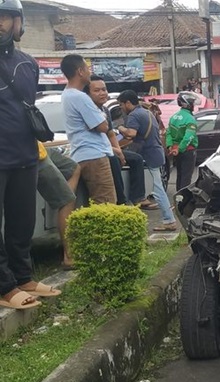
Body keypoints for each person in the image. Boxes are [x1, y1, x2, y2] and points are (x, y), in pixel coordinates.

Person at [0, 0, 61, 310]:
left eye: (5, 18)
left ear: (18, 22)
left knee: (21, 223)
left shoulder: (29, 64)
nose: (0, 24)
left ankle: (23, 276)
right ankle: (4, 286)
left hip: (25, 154)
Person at [84, 75, 154, 209]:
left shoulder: (105, 110)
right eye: (97, 90)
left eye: (104, 89)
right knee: (113, 160)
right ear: (87, 94)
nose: (102, 93)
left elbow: (110, 133)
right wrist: (116, 152)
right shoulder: (87, 109)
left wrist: (119, 151)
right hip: (96, 151)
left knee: (136, 159)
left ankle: (138, 198)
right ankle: (121, 202)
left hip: (109, 148)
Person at [117, 90, 178, 232]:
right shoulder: (147, 112)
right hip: (157, 153)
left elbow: (131, 134)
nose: (121, 108)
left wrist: (120, 128)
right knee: (158, 188)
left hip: (150, 155)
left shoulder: (133, 115)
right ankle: (169, 219)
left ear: (127, 103)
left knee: (158, 190)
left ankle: (169, 220)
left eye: (121, 105)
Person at [60, 54, 116, 204]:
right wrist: (101, 115)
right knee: (106, 203)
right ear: (80, 71)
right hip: (94, 155)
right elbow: (103, 126)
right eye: (87, 68)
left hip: (82, 153)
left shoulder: (67, 94)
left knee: (94, 203)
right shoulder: (80, 97)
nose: (89, 72)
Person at [37, 143, 81, 270]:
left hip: (41, 147)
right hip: (29, 151)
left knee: (73, 167)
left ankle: (64, 196)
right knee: (67, 200)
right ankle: (69, 256)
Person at [166, 92, 199, 191]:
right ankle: (183, 202)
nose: (194, 105)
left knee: (179, 177)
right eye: (192, 102)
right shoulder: (190, 119)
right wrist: (181, 148)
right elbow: (189, 137)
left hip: (175, 151)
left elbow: (168, 133)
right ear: (187, 104)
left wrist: (170, 146)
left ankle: (178, 200)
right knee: (186, 178)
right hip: (187, 151)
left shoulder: (173, 117)